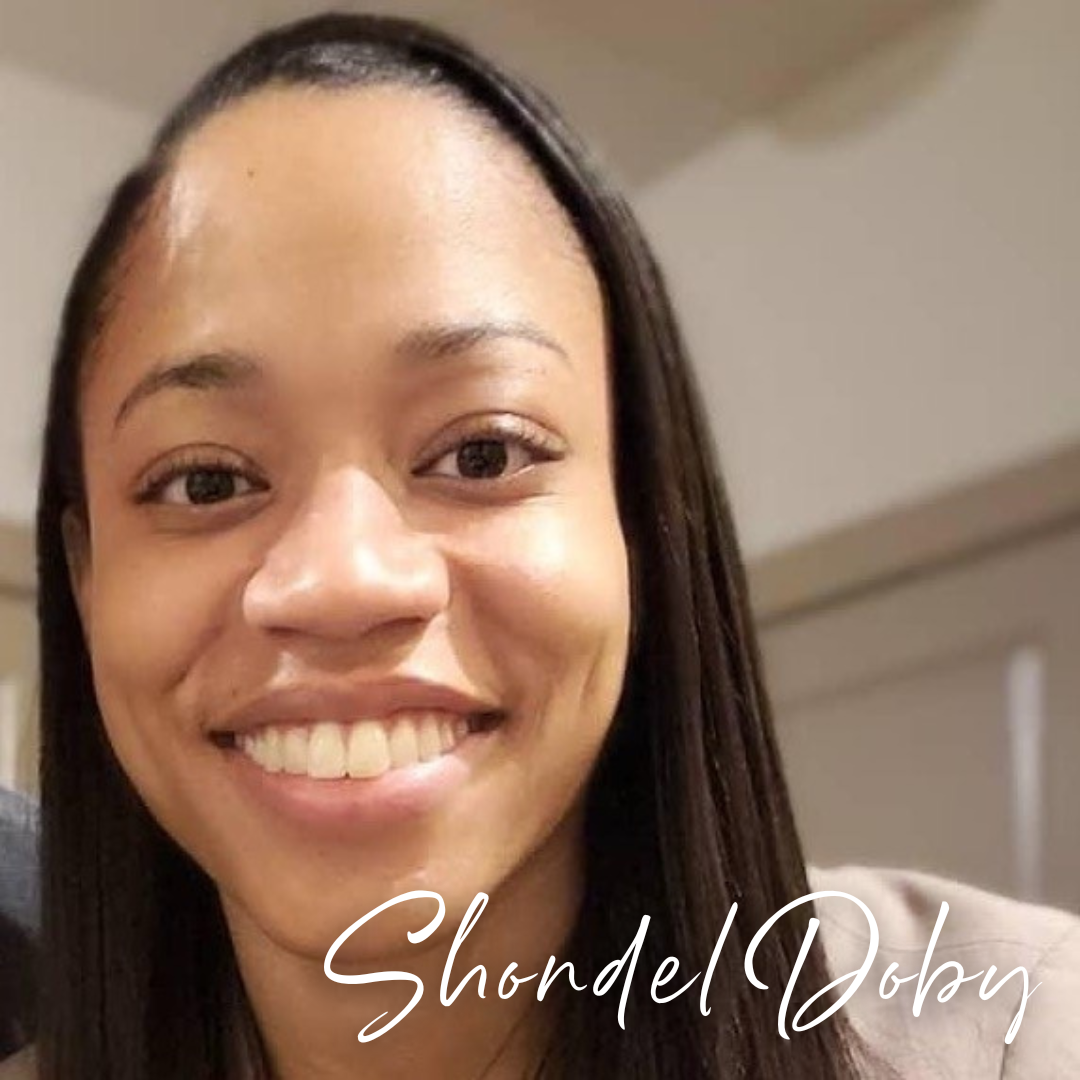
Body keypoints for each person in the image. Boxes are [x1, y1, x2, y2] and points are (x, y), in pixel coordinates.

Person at [2, 12, 1077, 1080]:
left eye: (482, 454)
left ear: (641, 526)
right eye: (205, 481)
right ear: (86, 582)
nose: (344, 582)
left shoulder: (1017, 1036)